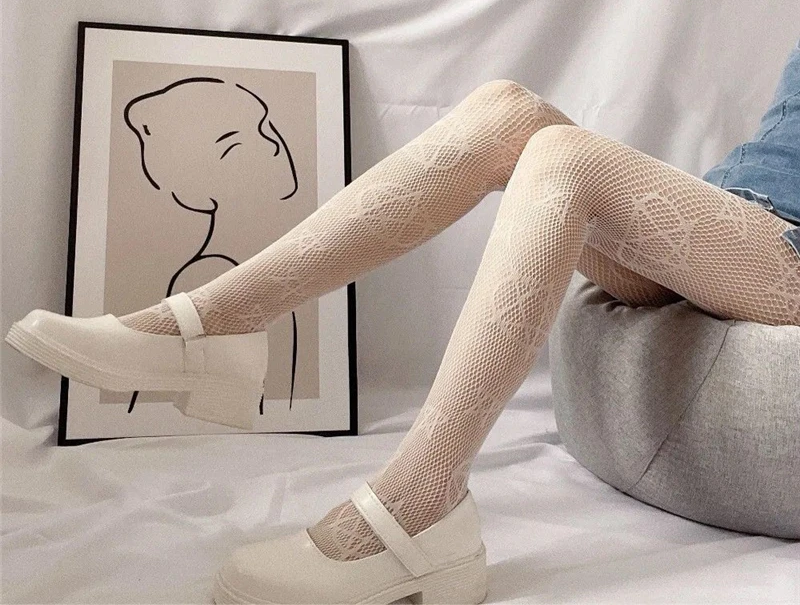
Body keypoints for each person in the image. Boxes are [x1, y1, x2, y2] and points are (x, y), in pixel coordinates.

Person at [6, 36, 800, 605]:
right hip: (729, 223)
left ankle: (422, 501)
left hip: (786, 256)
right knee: (508, 110)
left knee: (565, 158)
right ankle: (220, 320)